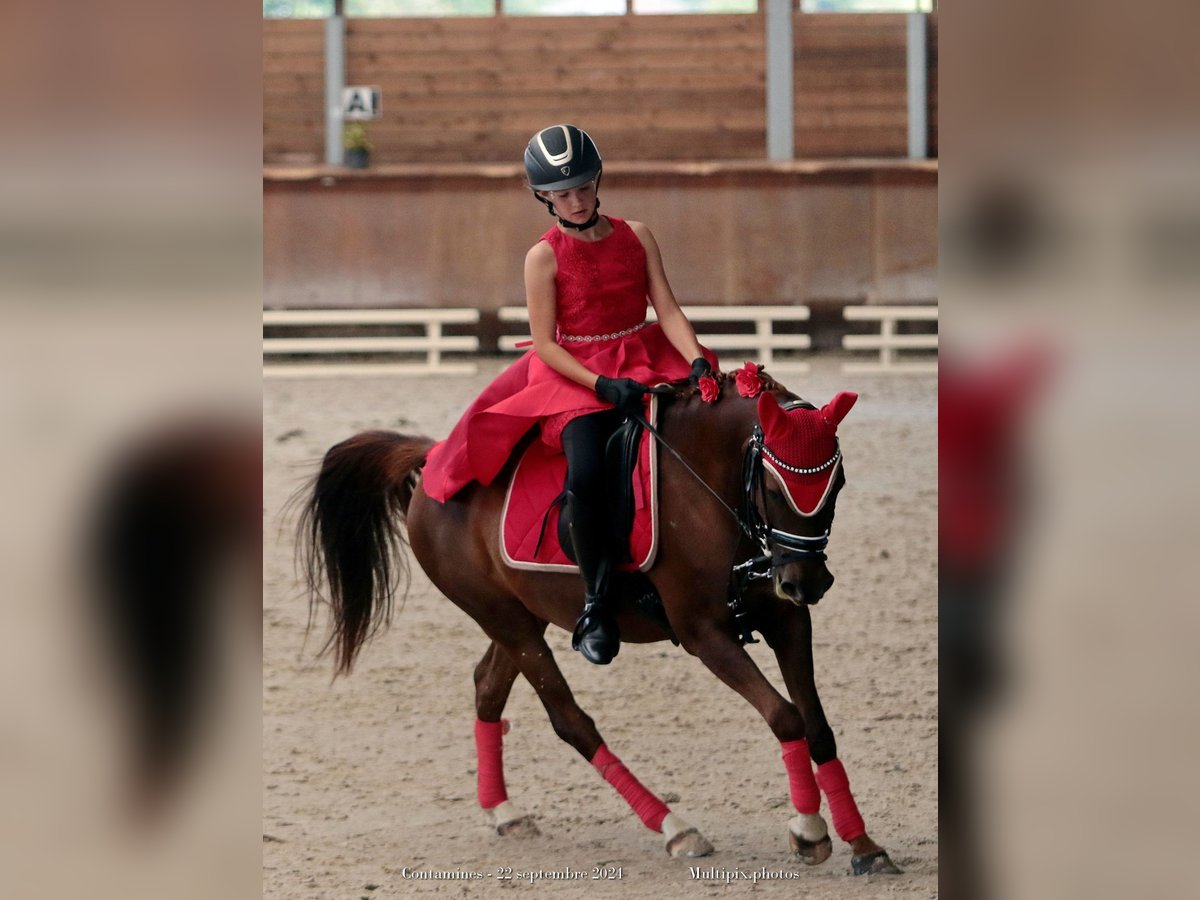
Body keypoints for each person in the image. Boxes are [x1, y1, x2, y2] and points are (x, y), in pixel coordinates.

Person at [421, 124, 716, 665]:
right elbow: (544, 345)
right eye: (562, 194)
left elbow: (667, 310)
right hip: (575, 374)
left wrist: (695, 358)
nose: (576, 201)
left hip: (643, 355)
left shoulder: (637, 234)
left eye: (583, 188)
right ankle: (598, 604)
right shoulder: (544, 257)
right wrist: (601, 385)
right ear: (543, 197)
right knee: (585, 474)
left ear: (597, 181)